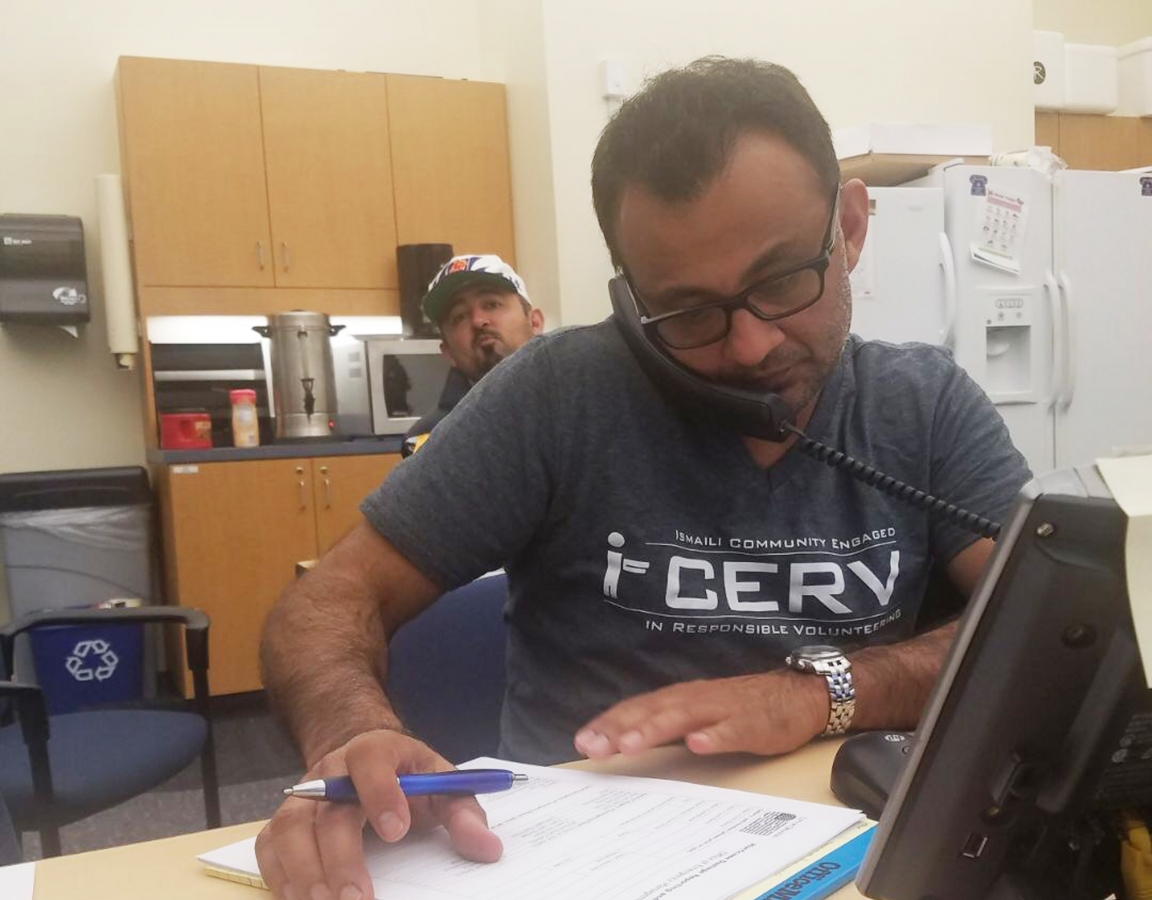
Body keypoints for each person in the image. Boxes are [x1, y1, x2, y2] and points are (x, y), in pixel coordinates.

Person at [256, 56, 1031, 900]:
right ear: (631, 297)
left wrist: (822, 693)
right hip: (579, 868)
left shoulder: (923, 404)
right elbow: (325, 603)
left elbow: (1037, 630)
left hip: (854, 855)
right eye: (689, 311)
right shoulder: (557, 394)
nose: (750, 347)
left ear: (848, 226)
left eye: (781, 280)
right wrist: (355, 731)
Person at [402, 254, 545, 448]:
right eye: (459, 316)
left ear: (534, 322)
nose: (478, 320)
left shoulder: (582, 400)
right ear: (448, 353)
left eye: (492, 304)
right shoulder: (430, 441)